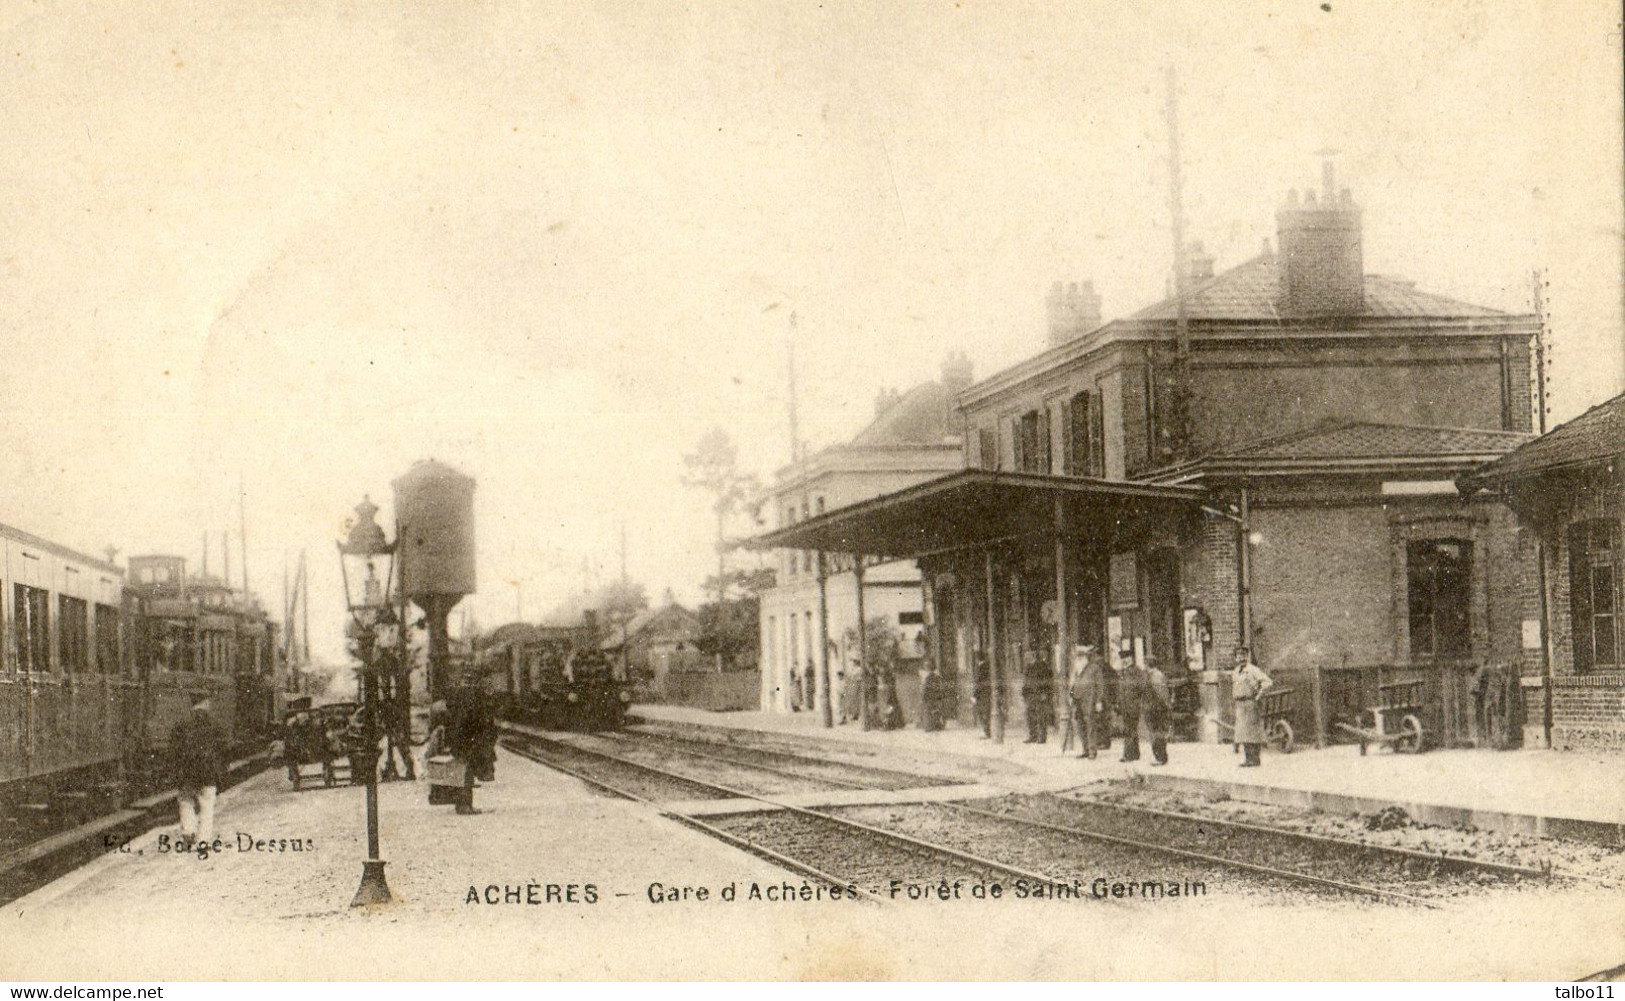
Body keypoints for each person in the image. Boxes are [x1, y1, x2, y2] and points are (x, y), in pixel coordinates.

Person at [169, 694, 227, 846]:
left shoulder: (181, 724)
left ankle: (188, 831)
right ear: (206, 703)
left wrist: (176, 771)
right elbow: (224, 750)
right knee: (207, 805)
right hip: (208, 772)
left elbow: (173, 750)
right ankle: (203, 840)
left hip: (187, 771)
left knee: (185, 801)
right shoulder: (215, 724)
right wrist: (220, 770)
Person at [448, 676, 496, 814]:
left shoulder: (458, 694)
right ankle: (465, 805)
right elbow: (472, 719)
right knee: (467, 772)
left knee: (462, 771)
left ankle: (461, 804)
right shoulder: (472, 697)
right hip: (467, 740)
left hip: (460, 739)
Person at [1231, 645, 1273, 767]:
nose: (1241, 657)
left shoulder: (1253, 670)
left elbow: (1268, 682)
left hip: (1250, 703)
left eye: (1243, 655)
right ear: (1235, 658)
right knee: (1242, 733)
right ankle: (1248, 759)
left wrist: (1259, 695)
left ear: (1247, 656)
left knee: (1252, 733)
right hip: (1240, 704)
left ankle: (1255, 759)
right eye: (1238, 655)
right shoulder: (1236, 672)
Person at [1067, 645, 1104, 759]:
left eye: (1081, 655)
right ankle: (1085, 749)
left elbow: (1100, 685)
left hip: (1089, 700)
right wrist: (1070, 696)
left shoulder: (1094, 668)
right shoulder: (1076, 668)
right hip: (1077, 700)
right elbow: (1072, 685)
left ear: (1086, 656)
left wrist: (1098, 701)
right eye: (1078, 655)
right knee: (1080, 724)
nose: (1079, 657)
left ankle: (1092, 751)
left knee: (1090, 725)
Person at [1143, 658, 1172, 766]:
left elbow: (1162, 694)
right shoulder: (1153, 675)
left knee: (1157, 733)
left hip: (1157, 709)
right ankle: (1159, 756)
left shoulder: (1156, 676)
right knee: (1155, 733)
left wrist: (1166, 706)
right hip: (1153, 708)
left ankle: (1160, 757)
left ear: (1148, 665)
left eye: (1145, 664)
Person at [1021, 649, 1053, 744]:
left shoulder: (1042, 666)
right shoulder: (1028, 667)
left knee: (1041, 716)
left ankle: (1042, 737)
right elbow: (1026, 681)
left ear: (1032, 656)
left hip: (1039, 695)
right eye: (1025, 657)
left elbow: (1047, 681)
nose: (1025, 659)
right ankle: (1033, 736)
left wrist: (1044, 693)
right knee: (1030, 716)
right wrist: (1024, 693)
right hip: (1030, 695)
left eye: (1027, 657)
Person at [1116, 657, 1144, 762]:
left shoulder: (1135, 672)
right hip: (1126, 705)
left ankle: (1128, 755)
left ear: (1130, 659)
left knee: (1129, 729)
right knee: (1131, 729)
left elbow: (1141, 687)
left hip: (1132, 705)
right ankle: (1135, 753)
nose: (1124, 661)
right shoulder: (1125, 672)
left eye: (1126, 658)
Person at [919, 665, 946, 731]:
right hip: (936, 698)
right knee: (936, 712)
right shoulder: (937, 678)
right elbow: (941, 689)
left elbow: (925, 690)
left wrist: (923, 698)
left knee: (929, 712)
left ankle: (929, 726)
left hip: (929, 699)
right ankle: (937, 726)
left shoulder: (927, 678)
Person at [972, 649, 992, 738]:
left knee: (983, 713)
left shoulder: (981, 668)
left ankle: (987, 732)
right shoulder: (988, 666)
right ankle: (987, 731)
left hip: (982, 694)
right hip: (986, 693)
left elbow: (978, 684)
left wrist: (974, 695)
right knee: (985, 713)